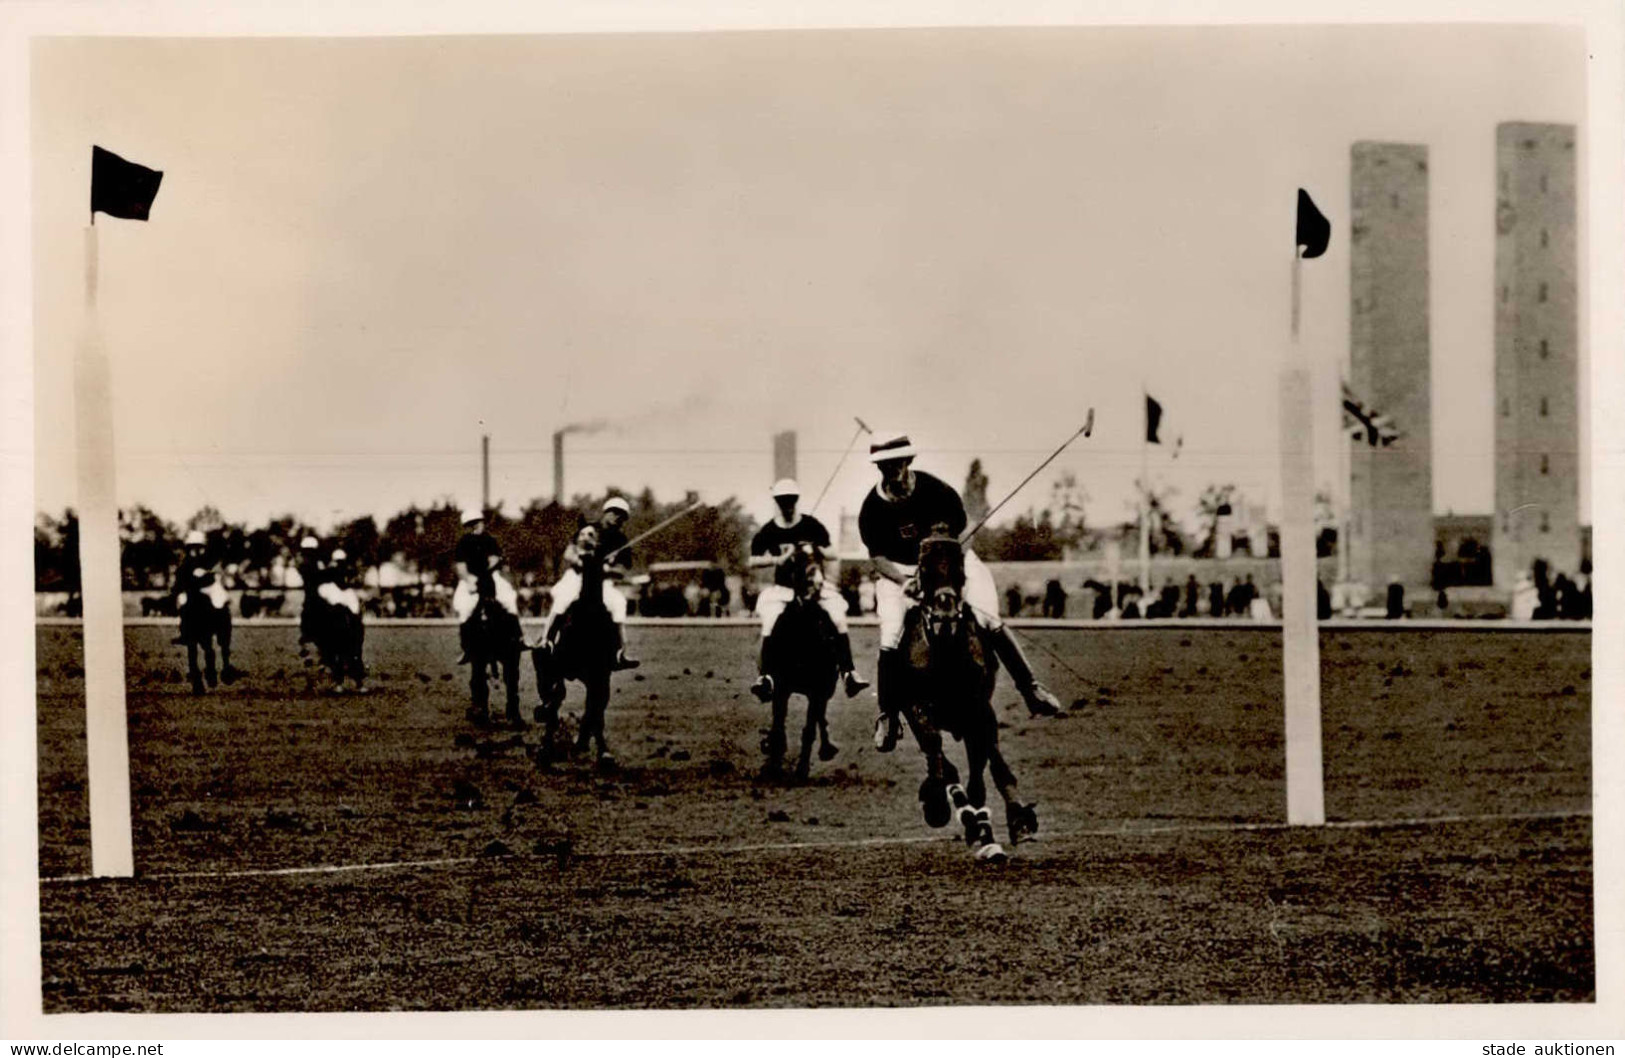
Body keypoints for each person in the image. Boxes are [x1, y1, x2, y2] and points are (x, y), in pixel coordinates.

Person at [861, 432, 1061, 752]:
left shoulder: (936, 491)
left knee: (987, 619)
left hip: (951, 565)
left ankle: (1031, 689)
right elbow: (877, 557)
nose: (891, 471)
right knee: (891, 635)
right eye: (884, 466)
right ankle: (887, 716)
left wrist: (953, 571)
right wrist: (903, 581)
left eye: (895, 464)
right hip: (903, 573)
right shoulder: (872, 508)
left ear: (908, 461)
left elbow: (964, 531)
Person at [748, 478, 870, 701]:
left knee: (837, 617)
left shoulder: (811, 525)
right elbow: (752, 560)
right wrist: (778, 559)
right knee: (770, 621)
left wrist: (814, 549)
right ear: (777, 502)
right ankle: (765, 677)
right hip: (783, 590)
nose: (788, 505)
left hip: (814, 588)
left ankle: (848, 673)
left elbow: (834, 553)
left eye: (791, 500)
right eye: (783, 501)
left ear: (797, 501)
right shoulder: (770, 530)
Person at [539, 496, 638, 669]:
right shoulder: (589, 529)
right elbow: (569, 553)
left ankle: (621, 652)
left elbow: (622, 571)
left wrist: (607, 569)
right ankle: (547, 641)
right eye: (614, 513)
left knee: (619, 603)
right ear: (606, 512)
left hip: (602, 582)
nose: (617, 517)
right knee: (564, 599)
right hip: (577, 577)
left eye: (622, 516)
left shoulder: (621, 541)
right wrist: (582, 561)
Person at [452, 508, 522, 663]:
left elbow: (494, 559)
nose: (478, 525)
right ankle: (467, 648)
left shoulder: (490, 540)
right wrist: (470, 580)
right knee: (464, 607)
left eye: (479, 522)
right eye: (474, 523)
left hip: (490, 576)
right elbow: (461, 568)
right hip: (469, 578)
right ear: (469, 525)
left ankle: (519, 637)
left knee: (509, 598)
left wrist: (486, 572)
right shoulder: (463, 543)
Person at [296, 535, 327, 657]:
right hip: (316, 600)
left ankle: (310, 651)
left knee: (309, 627)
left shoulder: (305, 565)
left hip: (311, 600)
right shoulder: (317, 565)